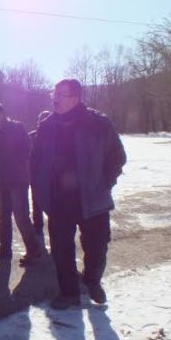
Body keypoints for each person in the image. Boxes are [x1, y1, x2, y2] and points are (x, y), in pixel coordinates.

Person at [31, 79, 126, 309]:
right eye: (54, 93)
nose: (55, 98)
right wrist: (41, 189)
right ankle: (69, 292)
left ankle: (92, 281)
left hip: (93, 200)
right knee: (61, 250)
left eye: (61, 95)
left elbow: (117, 156)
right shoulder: (47, 126)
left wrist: (104, 183)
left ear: (76, 98)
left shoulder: (98, 123)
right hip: (58, 200)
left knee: (97, 247)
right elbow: (36, 161)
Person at [0, 103, 42, 267]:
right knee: (3, 216)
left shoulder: (16, 127)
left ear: (1, 113)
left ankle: (33, 250)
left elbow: (26, 149)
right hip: (2, 181)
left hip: (17, 180)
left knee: (21, 216)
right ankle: (5, 249)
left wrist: (14, 166)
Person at [29, 110, 51, 247]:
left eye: (46, 119)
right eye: (41, 119)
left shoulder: (57, 136)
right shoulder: (31, 136)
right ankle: (38, 227)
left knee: (52, 205)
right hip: (35, 176)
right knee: (36, 204)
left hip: (52, 178)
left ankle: (57, 230)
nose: (43, 122)